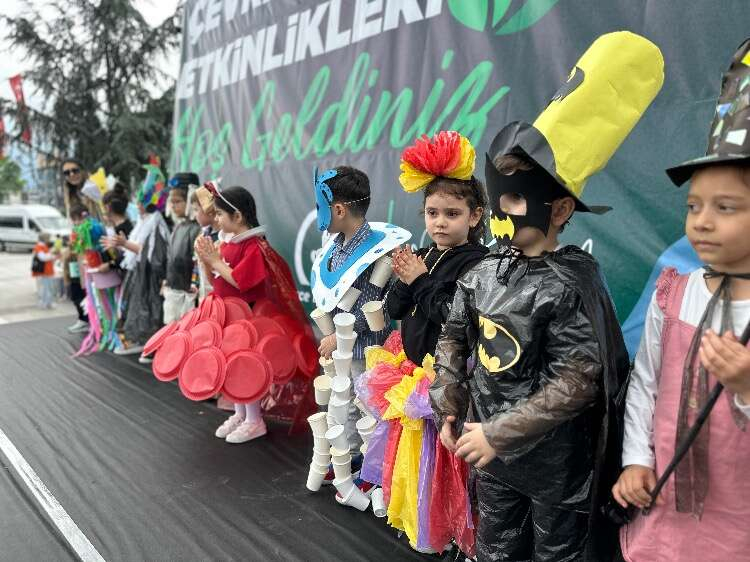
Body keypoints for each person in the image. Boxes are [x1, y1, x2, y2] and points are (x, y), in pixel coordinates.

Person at [430, 32, 663, 562]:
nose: (501, 209)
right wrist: (450, 403)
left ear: (558, 209)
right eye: (499, 195)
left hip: (555, 469)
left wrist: (500, 433)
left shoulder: (570, 282)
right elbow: (453, 338)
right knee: (496, 549)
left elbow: (577, 380)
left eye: (516, 197)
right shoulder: (483, 273)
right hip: (492, 455)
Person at [612, 38, 750, 562]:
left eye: (726, 207)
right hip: (665, 510)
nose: (703, 222)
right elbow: (646, 381)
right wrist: (635, 459)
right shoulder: (675, 291)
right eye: (694, 206)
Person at [375, 130, 488, 552]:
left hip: (446, 377)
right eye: (432, 212)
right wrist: (404, 277)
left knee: (446, 463)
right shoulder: (426, 253)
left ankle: (453, 530)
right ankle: (423, 521)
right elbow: (397, 308)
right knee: (417, 458)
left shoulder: (478, 263)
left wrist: (420, 280)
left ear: (474, 217)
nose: (440, 222)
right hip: (413, 368)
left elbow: (454, 317)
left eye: (452, 214)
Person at [107, 158, 170, 356]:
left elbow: (152, 252)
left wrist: (124, 243)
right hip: (138, 273)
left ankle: (147, 341)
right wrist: (122, 244)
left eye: (140, 201)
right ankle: (138, 339)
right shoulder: (144, 221)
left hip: (148, 276)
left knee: (145, 308)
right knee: (134, 307)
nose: (137, 205)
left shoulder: (155, 223)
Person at [162, 173, 201, 324]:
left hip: (189, 296)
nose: (173, 206)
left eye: (177, 201)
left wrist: (194, 286)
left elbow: (197, 264)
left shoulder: (197, 229)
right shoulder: (178, 227)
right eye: (171, 202)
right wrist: (167, 281)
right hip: (174, 292)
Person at [32, 232, 57, 309]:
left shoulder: (43, 246)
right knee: (44, 288)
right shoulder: (39, 247)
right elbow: (42, 258)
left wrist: (53, 256)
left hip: (47, 271)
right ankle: (44, 303)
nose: (49, 240)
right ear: (44, 239)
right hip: (43, 271)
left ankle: (48, 303)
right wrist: (52, 255)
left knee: (48, 287)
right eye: (48, 238)